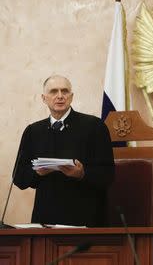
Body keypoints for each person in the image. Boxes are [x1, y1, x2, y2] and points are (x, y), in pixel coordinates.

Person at [13, 75, 114, 227]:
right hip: (45, 218)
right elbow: (19, 178)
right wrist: (37, 173)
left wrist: (82, 173)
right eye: (53, 91)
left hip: (85, 218)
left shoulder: (94, 127)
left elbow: (108, 175)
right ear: (44, 98)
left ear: (71, 97)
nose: (60, 96)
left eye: (64, 91)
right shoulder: (33, 131)